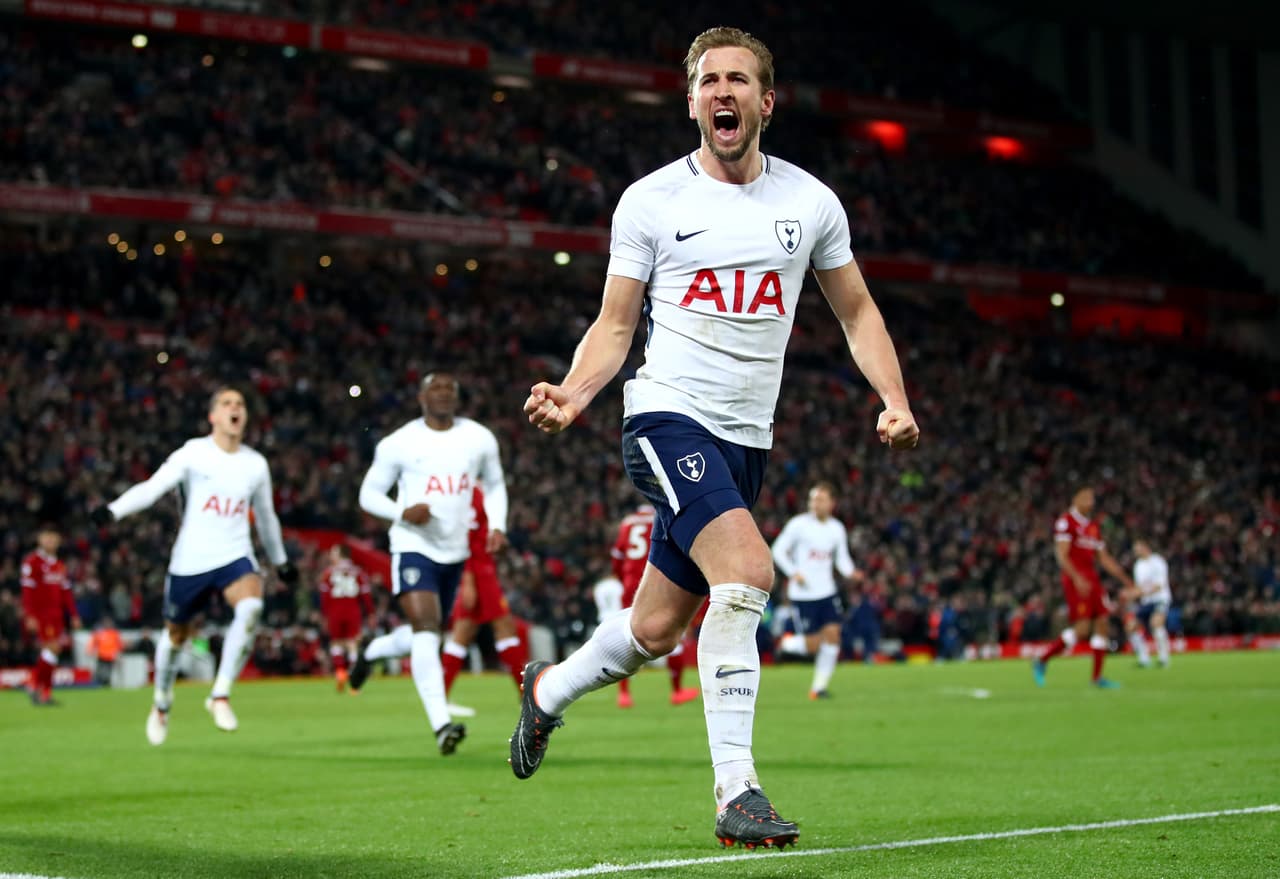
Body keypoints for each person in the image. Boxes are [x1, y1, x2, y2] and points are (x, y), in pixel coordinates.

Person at [509, 26, 919, 850]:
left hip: (745, 440)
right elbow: (615, 324)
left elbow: (857, 310)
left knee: (655, 631)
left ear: (766, 101)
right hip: (665, 415)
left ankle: (546, 691)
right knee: (748, 569)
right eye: (708, 81)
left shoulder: (809, 204)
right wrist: (577, 392)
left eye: (738, 80)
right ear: (692, 100)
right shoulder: (652, 201)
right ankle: (740, 790)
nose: (721, 92)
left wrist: (894, 398)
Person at [91, 387, 296, 745]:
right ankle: (161, 703)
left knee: (251, 606)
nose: (235, 409)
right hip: (192, 559)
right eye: (227, 404)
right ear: (213, 416)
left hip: (235, 554)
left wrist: (280, 561)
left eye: (240, 404)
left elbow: (266, 517)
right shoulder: (194, 453)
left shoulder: (255, 464)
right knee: (175, 637)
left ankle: (219, 694)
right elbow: (153, 488)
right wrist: (113, 510)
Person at [348, 372, 508, 756]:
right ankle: (441, 725)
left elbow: (496, 484)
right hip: (412, 544)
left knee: (429, 635)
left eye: (450, 389)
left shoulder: (479, 438)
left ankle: (373, 651)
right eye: (435, 388)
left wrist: (498, 524)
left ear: (457, 397)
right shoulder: (400, 443)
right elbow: (368, 495)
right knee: (425, 629)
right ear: (421, 397)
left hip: (455, 549)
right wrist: (402, 513)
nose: (443, 394)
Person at [1033, 486, 1135, 689]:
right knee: (1081, 629)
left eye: (1092, 498)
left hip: (1092, 580)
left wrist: (1125, 579)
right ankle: (1042, 659)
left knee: (1103, 624)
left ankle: (1097, 678)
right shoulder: (1066, 522)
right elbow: (1062, 555)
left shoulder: (1092, 526)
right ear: (1075, 499)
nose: (1091, 502)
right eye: (1086, 498)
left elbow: (1103, 558)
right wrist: (1077, 578)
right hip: (1075, 580)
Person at [439, 486, 526, 711]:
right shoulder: (471, 493)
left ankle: (439, 700)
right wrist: (468, 579)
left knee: (463, 633)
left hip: (481, 567)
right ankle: (526, 696)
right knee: (504, 628)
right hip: (478, 571)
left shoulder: (477, 492)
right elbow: (465, 538)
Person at [770, 482, 856, 699]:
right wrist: (793, 572)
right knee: (813, 646)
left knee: (833, 637)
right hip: (803, 594)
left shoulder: (837, 528)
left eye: (820, 500)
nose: (815, 504)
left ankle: (818, 688)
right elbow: (778, 550)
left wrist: (852, 573)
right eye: (812, 499)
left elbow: (842, 559)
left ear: (832, 503)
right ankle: (785, 643)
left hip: (827, 592)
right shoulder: (798, 525)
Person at [610, 503, 700, 708]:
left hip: (630, 584)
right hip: (656, 582)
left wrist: (622, 579)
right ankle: (677, 691)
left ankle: (624, 694)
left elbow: (617, 559)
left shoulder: (627, 523)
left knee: (626, 636)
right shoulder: (663, 518)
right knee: (674, 632)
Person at [20, 525, 81, 705]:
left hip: (57, 615)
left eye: (54, 538)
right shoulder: (32, 562)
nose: (51, 541)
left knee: (54, 650)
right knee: (52, 648)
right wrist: (29, 615)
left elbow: (66, 593)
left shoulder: (59, 565)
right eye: (47, 537)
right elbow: (27, 591)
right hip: (42, 614)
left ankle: (39, 689)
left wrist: (74, 615)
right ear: (40, 540)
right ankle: (38, 687)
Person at [317, 543, 373, 692]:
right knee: (352, 644)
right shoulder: (358, 572)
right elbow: (366, 595)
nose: (330, 556)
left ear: (340, 554)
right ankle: (355, 679)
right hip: (353, 611)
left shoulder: (328, 573)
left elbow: (324, 598)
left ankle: (340, 671)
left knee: (336, 643)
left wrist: (324, 616)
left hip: (334, 611)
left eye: (333, 553)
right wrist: (371, 613)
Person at [1131, 539, 1173, 668]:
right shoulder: (1138, 565)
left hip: (1160, 598)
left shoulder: (1158, 561)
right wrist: (1132, 593)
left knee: (1156, 623)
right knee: (1132, 627)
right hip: (1146, 601)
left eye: (1138, 548)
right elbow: (1139, 587)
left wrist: (1139, 592)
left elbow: (1160, 585)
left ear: (1146, 547)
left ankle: (1163, 658)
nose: (1136, 551)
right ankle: (1144, 659)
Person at [88, 616, 124, 687]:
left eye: (109, 623)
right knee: (100, 671)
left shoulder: (114, 633)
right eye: (106, 623)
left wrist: (119, 654)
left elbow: (119, 645)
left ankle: (106, 684)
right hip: (101, 656)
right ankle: (99, 683)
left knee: (108, 672)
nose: (108, 625)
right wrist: (90, 650)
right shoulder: (99, 633)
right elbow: (93, 643)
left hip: (110, 657)